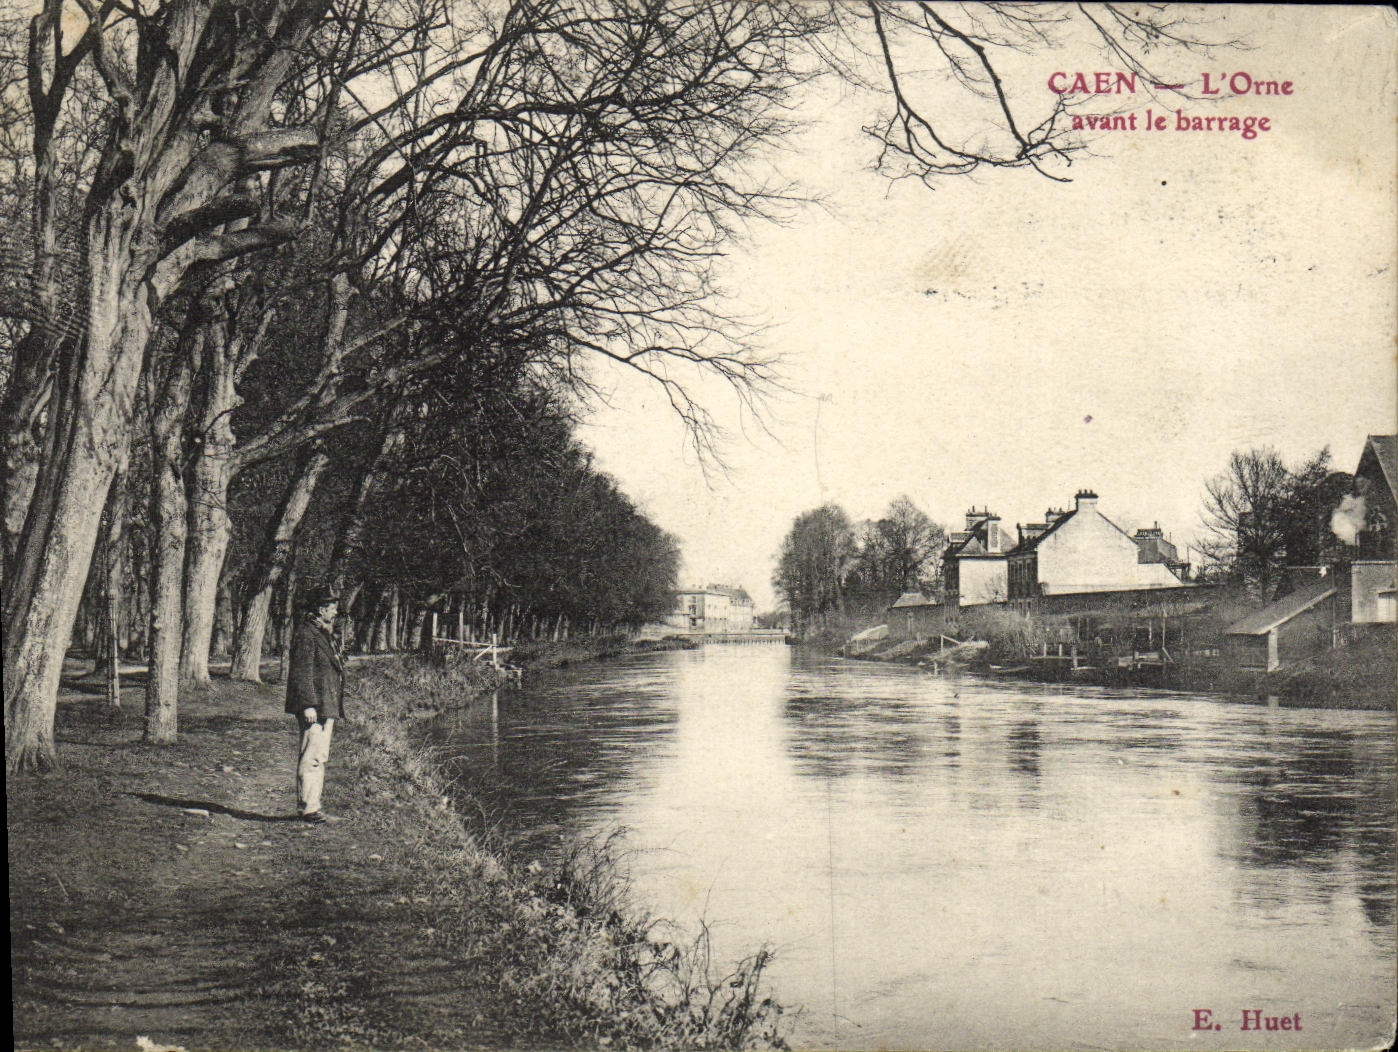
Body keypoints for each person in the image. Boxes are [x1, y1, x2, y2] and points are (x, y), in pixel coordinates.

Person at [285, 585, 345, 824]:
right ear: (321, 609)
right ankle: (309, 808)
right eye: (333, 608)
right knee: (312, 756)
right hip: (315, 706)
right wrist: (308, 704)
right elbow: (302, 671)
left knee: (319, 755)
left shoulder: (320, 632)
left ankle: (313, 806)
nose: (336, 613)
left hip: (325, 704)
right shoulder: (307, 634)